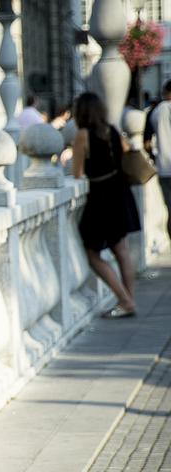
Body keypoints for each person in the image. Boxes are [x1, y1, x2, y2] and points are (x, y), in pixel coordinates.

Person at [71, 92, 140, 318]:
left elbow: (77, 172)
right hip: (120, 192)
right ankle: (128, 301)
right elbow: (127, 152)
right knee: (121, 251)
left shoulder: (83, 135)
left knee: (92, 253)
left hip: (100, 197)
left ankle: (124, 301)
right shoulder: (111, 130)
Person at [143, 79, 171, 243]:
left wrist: (154, 157)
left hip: (164, 169)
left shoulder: (154, 111)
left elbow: (146, 143)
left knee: (170, 209)